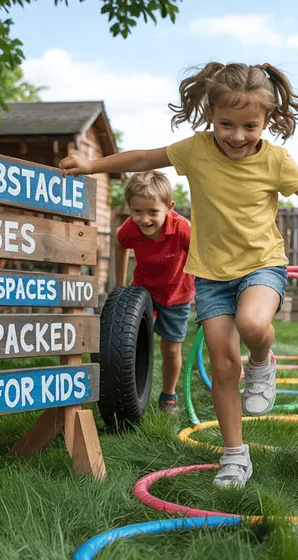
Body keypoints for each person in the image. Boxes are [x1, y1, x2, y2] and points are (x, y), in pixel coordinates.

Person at [60, 61, 298, 488]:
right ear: (210, 116)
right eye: (226, 124)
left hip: (263, 265)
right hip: (211, 277)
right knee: (222, 366)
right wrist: (94, 167)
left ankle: (262, 360)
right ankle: (235, 455)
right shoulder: (196, 150)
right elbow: (146, 156)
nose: (237, 136)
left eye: (249, 125)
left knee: (253, 323)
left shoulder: (276, 160)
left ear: (267, 121)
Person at [114, 170, 194, 416]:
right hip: (143, 291)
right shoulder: (130, 229)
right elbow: (119, 246)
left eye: (152, 212)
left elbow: (202, 254)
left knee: (170, 349)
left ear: (169, 207)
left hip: (176, 295)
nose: (144, 219)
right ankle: (132, 389)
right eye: (137, 211)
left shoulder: (182, 229)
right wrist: (120, 285)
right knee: (131, 342)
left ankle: (168, 394)